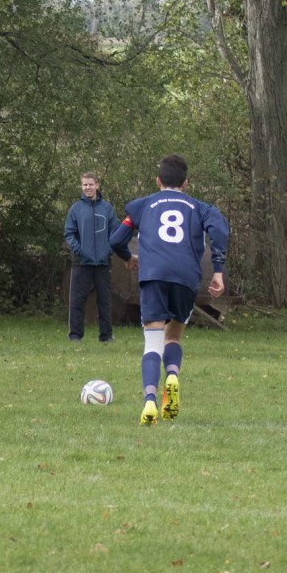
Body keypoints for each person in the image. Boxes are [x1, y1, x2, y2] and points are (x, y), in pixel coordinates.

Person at [110, 154, 228, 426]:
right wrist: (218, 270)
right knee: (172, 337)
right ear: (186, 183)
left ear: (158, 180)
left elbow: (116, 239)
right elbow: (219, 230)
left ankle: (150, 401)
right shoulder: (200, 207)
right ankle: (172, 375)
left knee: (152, 341)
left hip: (153, 276)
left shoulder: (142, 206)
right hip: (186, 277)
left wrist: (129, 259)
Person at [64, 171, 122, 342]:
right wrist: (78, 249)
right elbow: (69, 233)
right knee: (77, 301)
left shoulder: (107, 208)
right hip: (81, 262)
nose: (88, 188)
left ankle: (106, 336)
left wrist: (108, 249)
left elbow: (116, 232)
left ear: (97, 185)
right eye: (85, 185)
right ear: (81, 187)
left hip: (103, 262)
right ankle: (75, 335)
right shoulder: (76, 209)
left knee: (105, 302)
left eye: (90, 184)